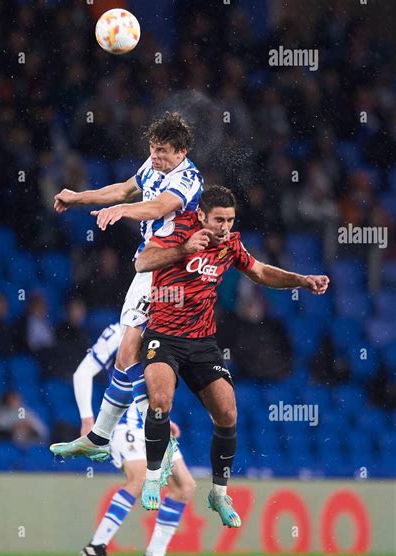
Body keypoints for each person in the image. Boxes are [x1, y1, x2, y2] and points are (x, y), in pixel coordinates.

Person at [134, 186, 330, 526]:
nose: (225, 226)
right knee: (161, 400)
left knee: (227, 412)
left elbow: (261, 272)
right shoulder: (177, 229)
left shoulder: (230, 244)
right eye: (219, 220)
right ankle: (153, 477)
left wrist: (301, 279)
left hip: (202, 343)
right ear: (201, 216)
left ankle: (219, 494)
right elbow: (142, 262)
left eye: (230, 220)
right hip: (164, 335)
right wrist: (183, 249)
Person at [50, 111, 203, 461]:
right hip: (147, 266)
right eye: (152, 148)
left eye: (163, 151)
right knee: (126, 352)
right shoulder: (153, 167)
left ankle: (154, 433)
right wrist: (78, 197)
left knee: (145, 354)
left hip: (173, 271)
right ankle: (101, 437)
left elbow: (158, 206)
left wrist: (123, 211)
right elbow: (122, 189)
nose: (155, 156)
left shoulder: (188, 178)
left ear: (181, 152)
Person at [73, 322, 195, 556]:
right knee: (139, 477)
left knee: (184, 486)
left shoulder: (165, 330)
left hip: (154, 422)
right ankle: (97, 545)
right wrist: (87, 419)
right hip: (124, 423)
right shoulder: (118, 332)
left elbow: (154, 384)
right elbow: (82, 373)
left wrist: (164, 418)